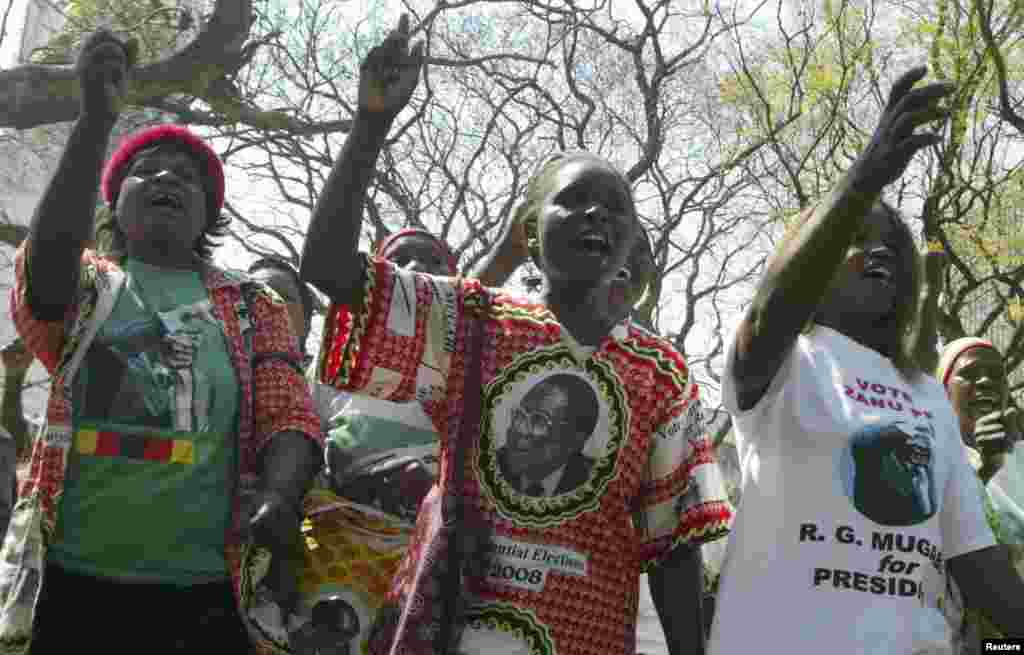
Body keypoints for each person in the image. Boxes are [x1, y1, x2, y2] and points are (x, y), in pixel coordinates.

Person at [301, 14, 732, 655]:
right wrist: (370, 125)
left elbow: (670, 545)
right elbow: (330, 271)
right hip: (447, 630)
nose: (595, 213)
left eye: (615, 208)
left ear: (630, 243)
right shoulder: (473, 324)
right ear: (529, 236)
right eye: (574, 200)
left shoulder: (660, 374)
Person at [2, 29, 323, 653]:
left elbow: (290, 416)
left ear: (209, 215)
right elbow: (42, 282)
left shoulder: (256, 305)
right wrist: (96, 120)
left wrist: (283, 495)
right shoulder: (88, 285)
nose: (165, 176)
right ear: (113, 205)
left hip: (204, 596)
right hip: (67, 587)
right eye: (144, 171)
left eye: (186, 177)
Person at [711, 66, 1024, 655]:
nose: (877, 248)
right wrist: (865, 176)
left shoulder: (928, 394)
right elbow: (769, 309)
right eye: (854, 236)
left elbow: (976, 559)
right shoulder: (780, 361)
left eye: (891, 243)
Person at [935, 337, 1024, 652]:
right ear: (942, 391)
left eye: (996, 376)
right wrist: (985, 468)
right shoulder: (931, 454)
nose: (986, 382)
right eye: (970, 373)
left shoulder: (1021, 457)